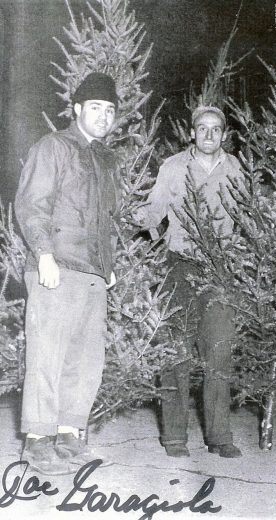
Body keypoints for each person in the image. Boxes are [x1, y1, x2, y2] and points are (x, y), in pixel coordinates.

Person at [15, 72, 120, 475]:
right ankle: (38, 442)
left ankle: (68, 436)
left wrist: (107, 268)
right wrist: (43, 255)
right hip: (55, 268)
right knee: (48, 355)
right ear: (77, 109)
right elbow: (31, 205)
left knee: (85, 360)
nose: (103, 116)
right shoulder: (53, 147)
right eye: (95, 107)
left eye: (110, 110)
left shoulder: (106, 158)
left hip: (93, 274)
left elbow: (107, 220)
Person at [137, 106, 242, 458]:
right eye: (202, 128)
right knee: (176, 354)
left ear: (224, 134)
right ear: (192, 133)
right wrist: (130, 222)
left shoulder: (236, 169)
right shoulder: (172, 167)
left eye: (216, 129)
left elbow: (248, 217)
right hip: (178, 268)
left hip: (220, 271)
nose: (209, 135)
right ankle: (175, 438)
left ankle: (220, 436)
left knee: (219, 352)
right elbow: (152, 213)